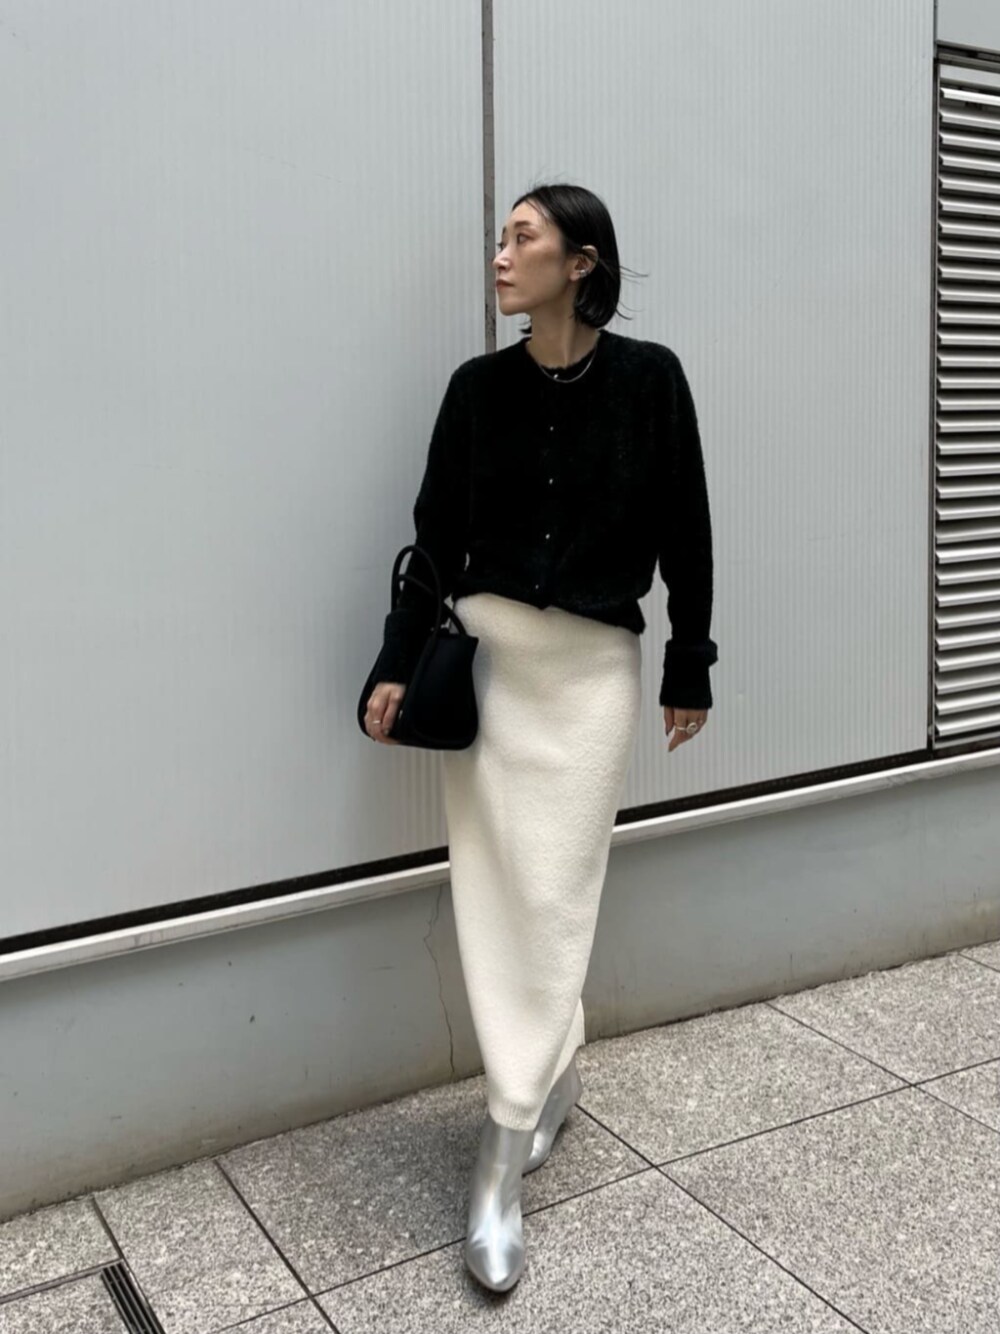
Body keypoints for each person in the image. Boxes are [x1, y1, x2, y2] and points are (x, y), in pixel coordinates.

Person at [362, 182, 718, 1292]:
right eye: (502, 237)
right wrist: (393, 661)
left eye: (523, 237)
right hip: (491, 667)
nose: (502, 255)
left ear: (582, 260)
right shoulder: (475, 390)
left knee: (556, 892)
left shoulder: (651, 381)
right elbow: (433, 538)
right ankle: (537, 1092)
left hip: (591, 678)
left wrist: (690, 661)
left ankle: (500, 1151)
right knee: (498, 889)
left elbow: (688, 530)